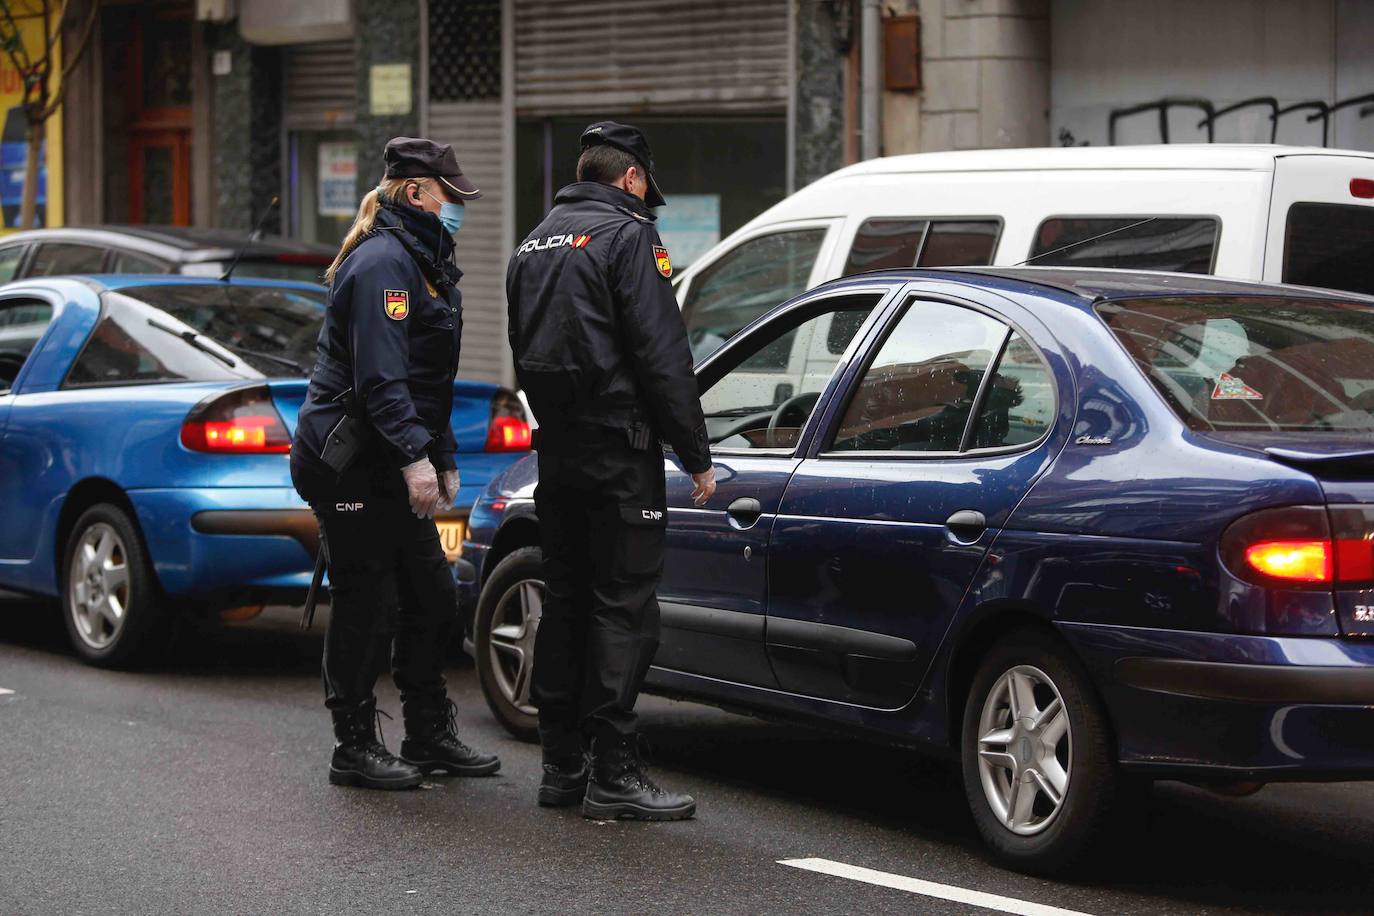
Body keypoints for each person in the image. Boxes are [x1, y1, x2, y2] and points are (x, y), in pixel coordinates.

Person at [505, 121, 717, 821]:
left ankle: (562, 767)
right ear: (630, 178)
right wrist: (696, 452)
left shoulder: (532, 242)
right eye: (644, 188)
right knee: (624, 609)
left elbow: (521, 349)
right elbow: (662, 354)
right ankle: (616, 773)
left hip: (556, 451)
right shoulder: (629, 237)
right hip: (621, 454)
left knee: (566, 602)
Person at [291, 137, 500, 790]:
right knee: (367, 601)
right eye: (451, 196)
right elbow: (382, 380)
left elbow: (427, 380)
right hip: (350, 461)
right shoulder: (385, 264)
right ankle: (353, 745)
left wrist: (442, 455)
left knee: (432, 594)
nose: (459, 207)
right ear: (415, 193)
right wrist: (417, 459)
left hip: (391, 455)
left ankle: (427, 732)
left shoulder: (427, 262)